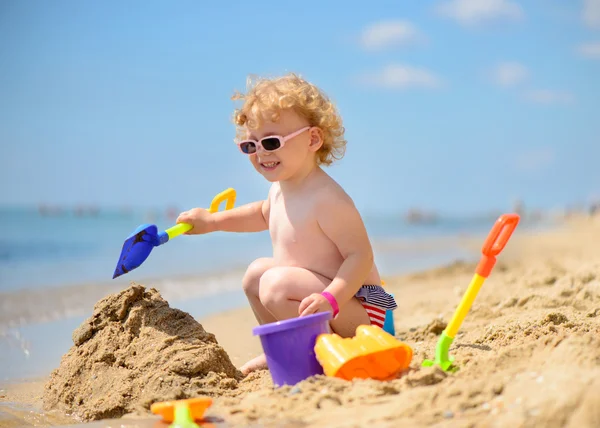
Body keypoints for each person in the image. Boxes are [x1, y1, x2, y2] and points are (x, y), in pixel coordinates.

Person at [176, 73, 397, 375]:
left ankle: (322, 352)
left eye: (271, 141)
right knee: (255, 275)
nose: (261, 153)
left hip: (362, 311)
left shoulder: (327, 198)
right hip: (323, 302)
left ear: (312, 139)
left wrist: (331, 298)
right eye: (250, 145)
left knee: (275, 285)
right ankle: (287, 348)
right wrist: (213, 221)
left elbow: (360, 256)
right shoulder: (282, 188)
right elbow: (262, 214)